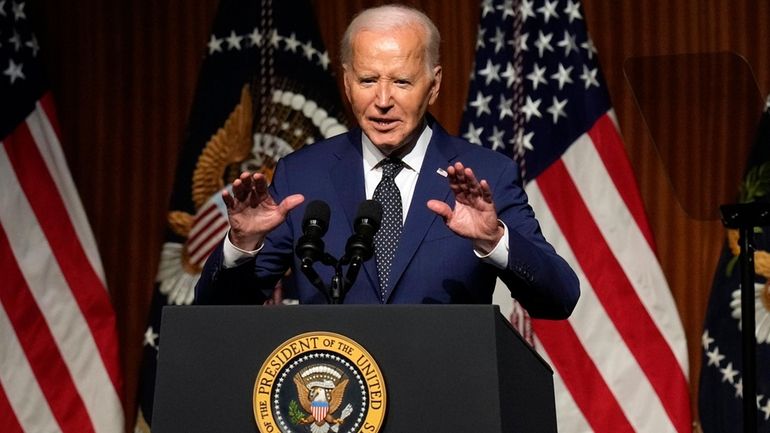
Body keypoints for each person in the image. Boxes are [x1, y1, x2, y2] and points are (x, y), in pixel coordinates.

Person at [194, 4, 579, 319]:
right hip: (334, 405)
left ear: (434, 84)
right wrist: (241, 246)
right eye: (367, 81)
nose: (382, 100)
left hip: (447, 401)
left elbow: (559, 299)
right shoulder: (301, 174)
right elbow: (218, 313)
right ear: (346, 83)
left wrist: (494, 240)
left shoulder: (487, 174)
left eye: (401, 82)